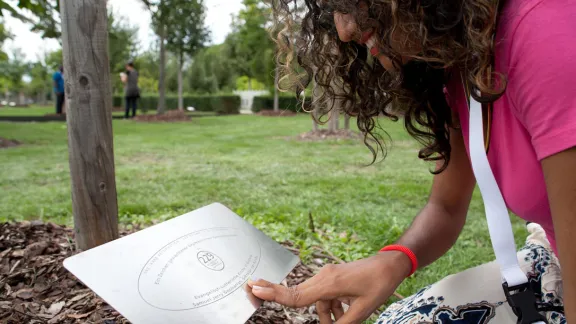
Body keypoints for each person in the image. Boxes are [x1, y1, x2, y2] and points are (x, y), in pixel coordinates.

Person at [248, 0, 576, 323]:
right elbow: (445, 207)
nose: (344, 29)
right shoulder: (463, 63)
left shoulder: (547, 32)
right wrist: (393, 261)